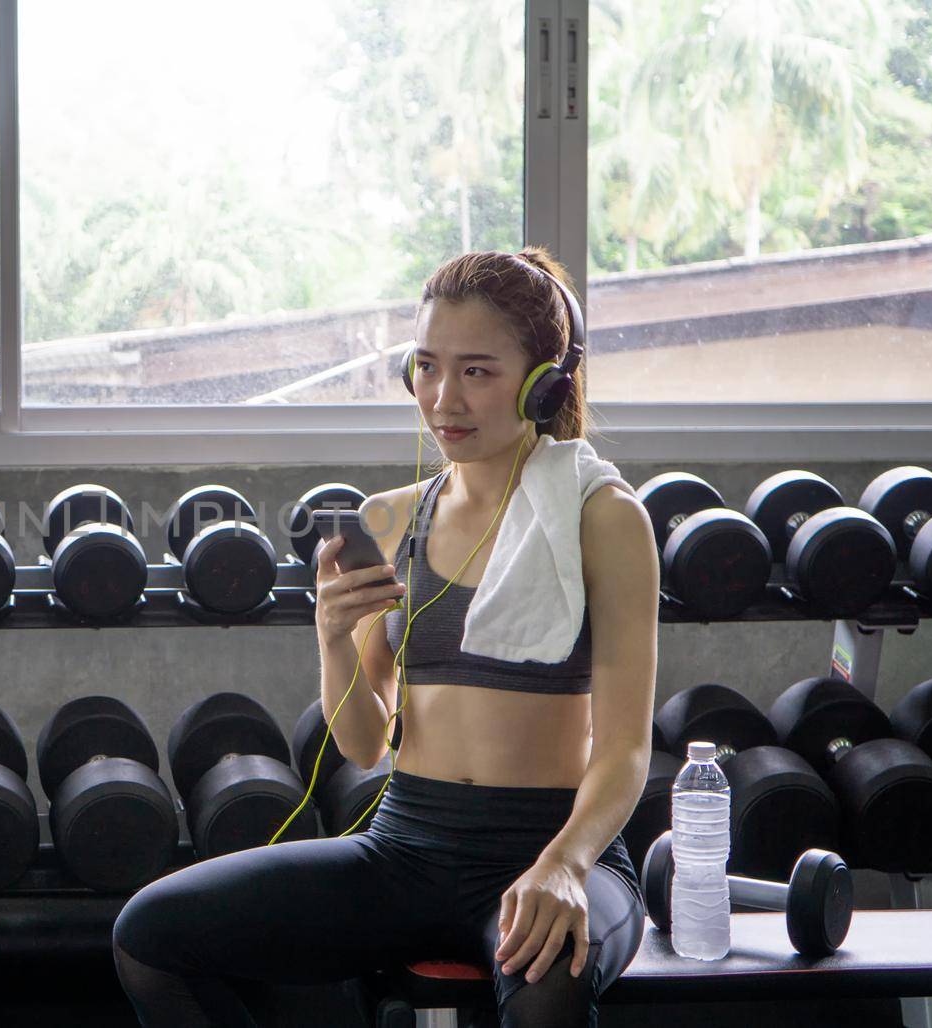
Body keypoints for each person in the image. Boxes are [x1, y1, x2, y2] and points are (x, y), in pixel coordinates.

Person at [112, 247, 658, 1027]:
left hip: (554, 846)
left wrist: (565, 864)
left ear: (544, 383)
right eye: (427, 368)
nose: (444, 399)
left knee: (548, 1002)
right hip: (406, 847)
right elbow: (366, 744)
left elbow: (625, 752)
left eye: (477, 371)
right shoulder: (389, 519)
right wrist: (332, 640)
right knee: (148, 936)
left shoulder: (603, 519)